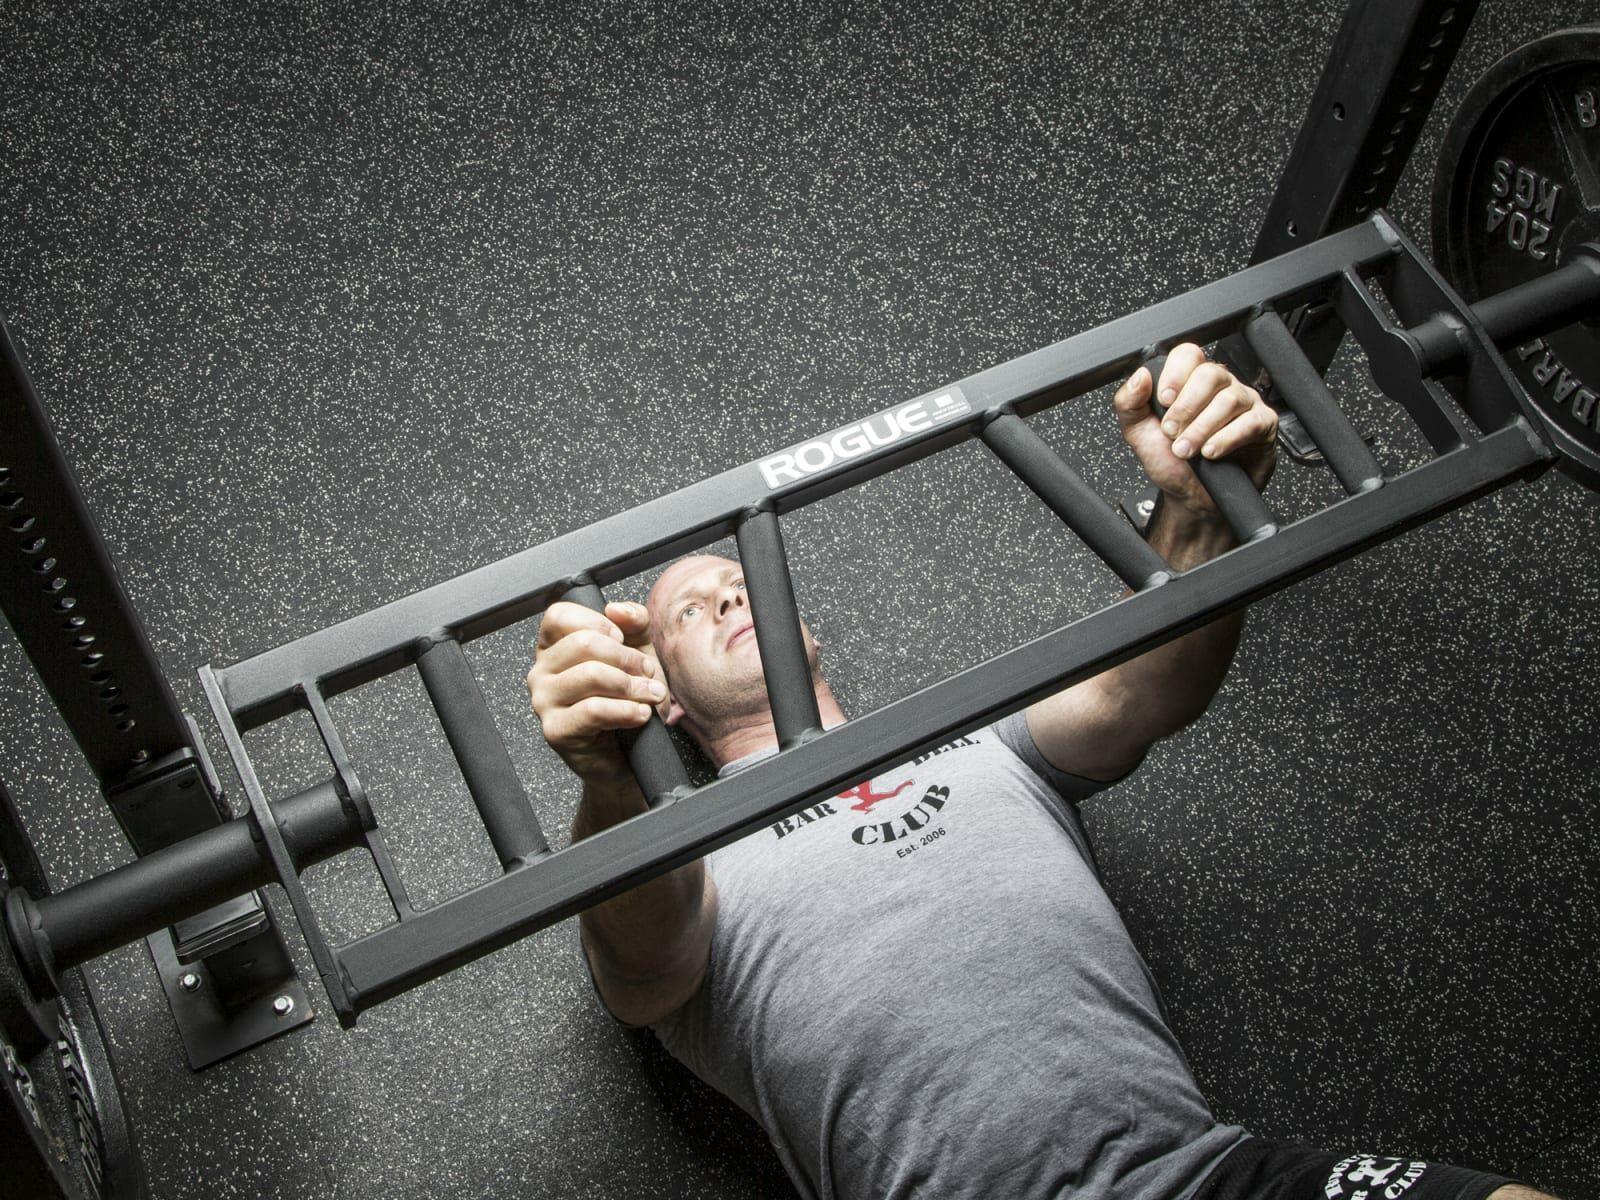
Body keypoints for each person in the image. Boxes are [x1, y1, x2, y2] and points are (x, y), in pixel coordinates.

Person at [526, 345, 1552, 1200]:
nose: (726, 599)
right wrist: (614, 777)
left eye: (740, 580)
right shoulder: (687, 872)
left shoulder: (980, 743)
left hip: (1196, 1178)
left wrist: (1199, 507)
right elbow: (641, 971)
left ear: (809, 622)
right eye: (685, 613)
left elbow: (1134, 693)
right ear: (658, 689)